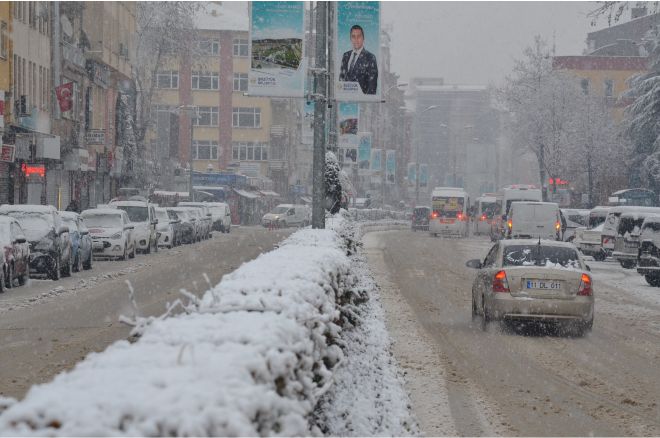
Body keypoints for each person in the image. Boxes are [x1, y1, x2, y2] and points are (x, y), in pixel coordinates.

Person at [339, 25, 378, 95]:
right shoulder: (345, 56)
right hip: (345, 101)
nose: (356, 39)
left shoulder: (370, 57)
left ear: (363, 38)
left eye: (359, 36)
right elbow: (341, 80)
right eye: (353, 36)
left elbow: (372, 87)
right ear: (350, 39)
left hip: (361, 103)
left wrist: (364, 103)